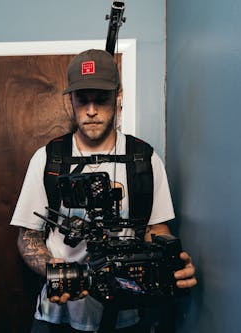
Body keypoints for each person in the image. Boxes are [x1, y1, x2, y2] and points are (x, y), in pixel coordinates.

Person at [11, 49, 197, 333]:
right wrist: (56, 270)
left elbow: (156, 229)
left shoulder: (143, 159)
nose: (91, 110)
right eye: (82, 99)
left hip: (126, 317)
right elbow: (29, 235)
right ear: (69, 102)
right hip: (56, 316)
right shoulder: (49, 159)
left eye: (101, 99)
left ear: (118, 97)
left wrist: (168, 265)